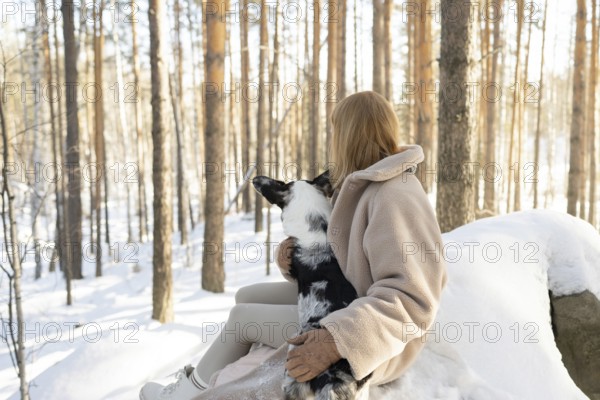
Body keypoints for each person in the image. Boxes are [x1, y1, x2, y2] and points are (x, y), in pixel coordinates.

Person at [139, 91, 447, 400]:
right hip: (346, 297)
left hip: (371, 335)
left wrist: (336, 339)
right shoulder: (361, 183)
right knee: (246, 295)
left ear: (349, 135)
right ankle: (234, 370)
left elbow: (412, 299)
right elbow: (347, 258)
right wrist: (291, 261)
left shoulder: (395, 194)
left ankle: (185, 394)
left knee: (242, 319)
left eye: (336, 131)